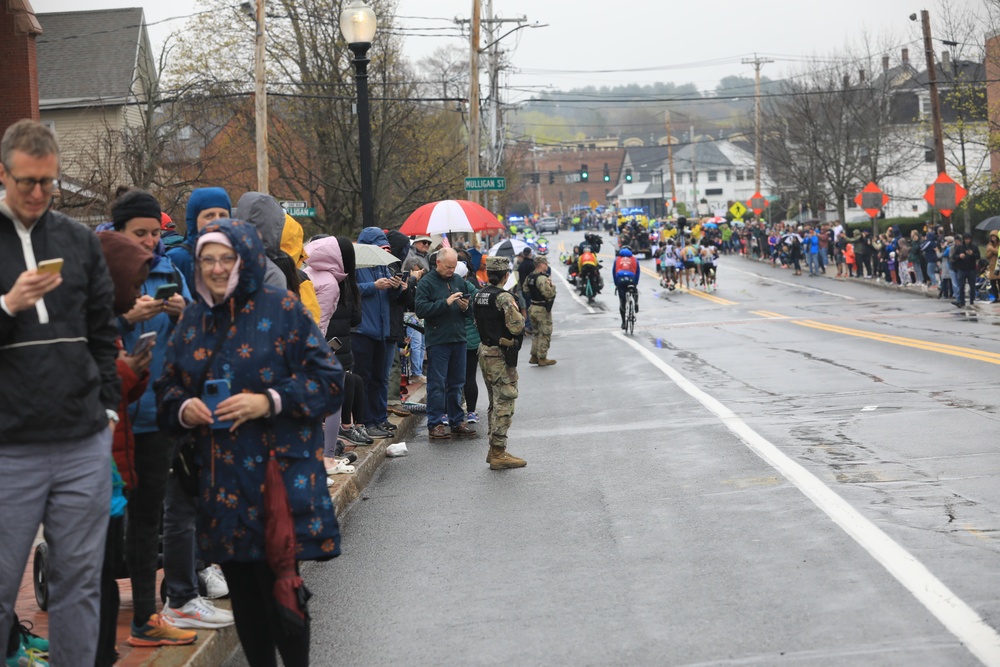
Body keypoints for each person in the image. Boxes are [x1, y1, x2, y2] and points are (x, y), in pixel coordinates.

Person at [155, 218, 343, 667]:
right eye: (207, 260)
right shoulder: (194, 318)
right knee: (243, 594)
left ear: (244, 260)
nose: (217, 269)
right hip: (219, 480)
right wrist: (185, 409)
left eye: (226, 258)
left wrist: (269, 401)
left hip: (278, 477)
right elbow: (168, 389)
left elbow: (329, 382)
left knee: (281, 587)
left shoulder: (282, 308)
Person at [0, 119, 119, 667]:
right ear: (4, 174)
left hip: (82, 441)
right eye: (27, 182)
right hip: (10, 447)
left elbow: (102, 329)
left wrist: (109, 407)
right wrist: (8, 305)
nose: (38, 194)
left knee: (80, 585)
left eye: (48, 183)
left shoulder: (76, 240)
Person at [109, 191, 226, 644]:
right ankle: (125, 623)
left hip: (160, 411)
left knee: (156, 517)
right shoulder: (100, 267)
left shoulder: (168, 267)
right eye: (140, 234)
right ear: (119, 232)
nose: (150, 242)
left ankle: (158, 610)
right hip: (115, 412)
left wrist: (183, 313)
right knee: (111, 523)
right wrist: (124, 316)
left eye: (156, 233)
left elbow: (191, 336)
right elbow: (87, 329)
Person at [96, 230, 155, 666]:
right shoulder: (90, 325)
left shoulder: (105, 321)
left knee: (103, 577)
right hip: (94, 470)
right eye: (132, 284)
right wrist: (124, 372)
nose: (138, 295)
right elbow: (86, 393)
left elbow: (117, 392)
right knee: (96, 579)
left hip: (115, 465)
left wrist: (134, 371)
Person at [415, 248, 476, 440]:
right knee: (437, 384)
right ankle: (435, 423)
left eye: (454, 266)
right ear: (438, 263)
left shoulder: (458, 281)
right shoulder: (426, 283)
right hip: (439, 340)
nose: (451, 270)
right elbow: (421, 309)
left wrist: (466, 307)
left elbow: (468, 309)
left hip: (459, 338)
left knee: (457, 383)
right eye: (448, 267)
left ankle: (457, 421)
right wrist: (445, 302)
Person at [474, 256, 527, 470]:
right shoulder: (504, 297)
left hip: (485, 351)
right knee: (505, 401)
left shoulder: (479, 295)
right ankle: (498, 452)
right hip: (499, 354)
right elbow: (516, 326)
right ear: (505, 276)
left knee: (494, 402)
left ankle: (495, 448)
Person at [164, 187, 232, 289]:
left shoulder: (236, 255)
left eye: (223, 215)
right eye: (209, 216)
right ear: (194, 220)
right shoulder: (177, 259)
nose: (217, 221)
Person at [524, 256, 557, 365]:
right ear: (542, 264)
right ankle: (542, 357)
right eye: (546, 264)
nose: (547, 266)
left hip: (532, 306)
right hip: (542, 309)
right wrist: (552, 287)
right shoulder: (542, 278)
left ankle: (534, 356)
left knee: (536, 333)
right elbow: (549, 293)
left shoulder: (530, 276)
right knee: (545, 333)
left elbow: (525, 289)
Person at [612, 247, 640, 330]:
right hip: (631, 278)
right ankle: (636, 303)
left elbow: (614, 272)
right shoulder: (635, 259)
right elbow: (637, 272)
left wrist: (616, 284)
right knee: (634, 291)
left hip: (620, 279)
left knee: (622, 302)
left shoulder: (617, 259)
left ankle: (624, 322)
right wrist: (635, 283)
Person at [951, 233, 981, 308]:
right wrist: (959, 256)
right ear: (964, 239)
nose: (967, 240)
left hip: (971, 269)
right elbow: (954, 256)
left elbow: (978, 256)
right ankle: (962, 301)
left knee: (972, 286)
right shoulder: (960, 247)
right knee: (961, 286)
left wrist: (972, 254)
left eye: (969, 239)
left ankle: (972, 301)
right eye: (966, 239)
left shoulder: (974, 247)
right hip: (962, 269)